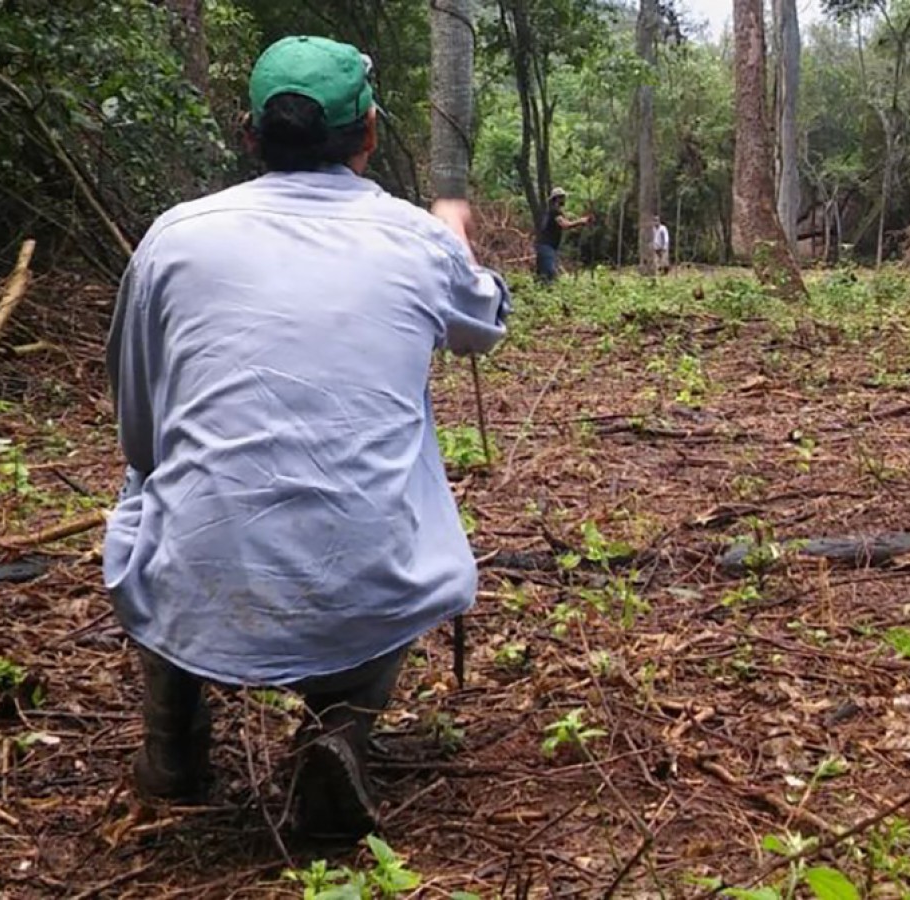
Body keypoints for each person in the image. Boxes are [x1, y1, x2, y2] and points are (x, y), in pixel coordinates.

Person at [104, 35, 510, 839]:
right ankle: (342, 728)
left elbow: (139, 418)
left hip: (200, 587)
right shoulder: (415, 238)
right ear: (366, 137)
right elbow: (484, 327)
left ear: (251, 137)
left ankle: (172, 754)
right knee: (393, 510)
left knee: (145, 488)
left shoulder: (175, 237)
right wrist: (453, 234)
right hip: (365, 587)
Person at [534, 186, 591, 283]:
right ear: (557, 198)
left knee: (542, 275)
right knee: (550, 274)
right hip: (546, 247)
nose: (564, 199)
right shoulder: (554, 212)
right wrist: (580, 221)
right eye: (562, 197)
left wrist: (578, 226)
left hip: (545, 246)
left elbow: (564, 226)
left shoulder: (555, 212)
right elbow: (565, 225)